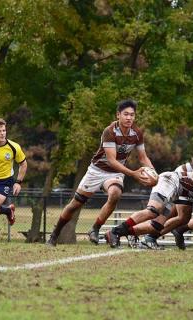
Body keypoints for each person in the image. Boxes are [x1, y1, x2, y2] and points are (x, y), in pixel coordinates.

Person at [46, 99, 155, 246]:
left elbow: (143, 158)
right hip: (97, 171)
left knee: (115, 194)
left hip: (115, 173)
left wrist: (155, 174)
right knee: (75, 204)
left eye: (132, 115)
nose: (129, 118)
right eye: (126, 114)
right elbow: (111, 160)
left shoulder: (137, 133)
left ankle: (95, 229)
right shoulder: (109, 132)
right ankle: (54, 234)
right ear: (118, 115)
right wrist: (133, 173)